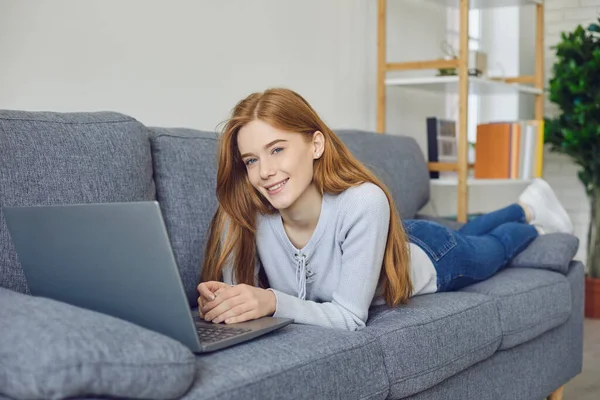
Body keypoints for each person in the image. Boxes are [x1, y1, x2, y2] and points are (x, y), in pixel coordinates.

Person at [196, 88, 573, 331]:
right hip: (388, 238)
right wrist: (224, 301)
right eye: (250, 160)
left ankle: (530, 215)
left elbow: (348, 317)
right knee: (469, 231)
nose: (264, 172)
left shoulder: (363, 201)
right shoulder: (245, 212)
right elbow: (239, 295)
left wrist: (272, 300)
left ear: (315, 145)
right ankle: (525, 206)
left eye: (277, 149)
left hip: (432, 256)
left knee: (493, 249)